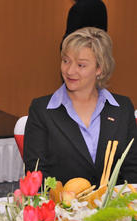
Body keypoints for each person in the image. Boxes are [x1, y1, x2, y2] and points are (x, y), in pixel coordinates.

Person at [24, 27, 137, 187]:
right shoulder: (41, 110)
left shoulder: (122, 108)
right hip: (62, 208)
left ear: (100, 68)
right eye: (66, 61)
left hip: (113, 209)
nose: (69, 70)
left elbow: (132, 170)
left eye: (81, 65)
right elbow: (36, 174)